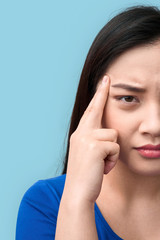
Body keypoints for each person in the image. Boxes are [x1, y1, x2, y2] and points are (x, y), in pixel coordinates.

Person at [16, 5, 160, 240]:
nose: (154, 126)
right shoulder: (46, 204)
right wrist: (78, 199)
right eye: (128, 98)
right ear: (94, 103)